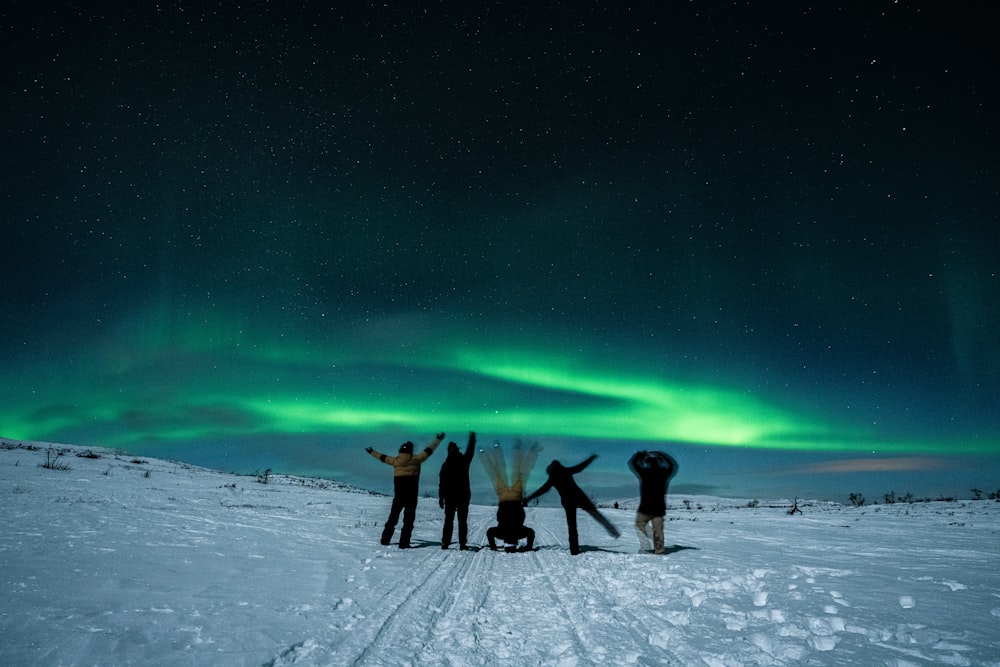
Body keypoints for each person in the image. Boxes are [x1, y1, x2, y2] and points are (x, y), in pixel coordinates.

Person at [524, 455, 619, 555]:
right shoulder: (565, 470)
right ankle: (611, 529)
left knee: (572, 526)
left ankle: (574, 550)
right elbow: (580, 467)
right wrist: (590, 459)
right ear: (558, 466)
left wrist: (529, 498)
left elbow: (542, 490)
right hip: (579, 497)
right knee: (596, 514)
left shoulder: (552, 478)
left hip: (568, 501)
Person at [366, 432, 444, 548]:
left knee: (392, 518)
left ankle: (385, 540)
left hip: (398, 496)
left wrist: (372, 452)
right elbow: (429, 451)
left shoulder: (395, 461)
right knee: (408, 521)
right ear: (411, 450)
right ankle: (404, 543)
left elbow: (382, 457)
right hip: (411, 496)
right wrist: (437, 440)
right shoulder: (416, 459)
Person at [481, 440, 539, 552]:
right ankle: (491, 450)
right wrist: (493, 546)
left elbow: (530, 532)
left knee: (521, 472)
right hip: (503, 498)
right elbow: (490, 532)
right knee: (496, 473)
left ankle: (525, 450)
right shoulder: (500, 534)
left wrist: (528, 546)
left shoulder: (520, 533)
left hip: (516, 499)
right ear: (506, 542)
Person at [628, 450, 678, 554]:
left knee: (639, 524)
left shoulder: (644, 473)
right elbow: (673, 465)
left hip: (645, 507)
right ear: (659, 463)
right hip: (659, 508)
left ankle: (649, 545)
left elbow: (632, 463)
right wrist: (662, 454)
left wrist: (641, 454)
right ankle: (659, 550)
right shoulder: (664, 474)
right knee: (658, 530)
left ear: (648, 463)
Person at [438, 432, 476, 550]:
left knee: (449, 521)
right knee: (462, 521)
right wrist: (472, 439)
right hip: (463, 496)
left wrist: (441, 498)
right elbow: (470, 452)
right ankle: (462, 543)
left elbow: (442, 484)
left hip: (450, 497)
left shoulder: (445, 465)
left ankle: (445, 543)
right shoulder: (463, 461)